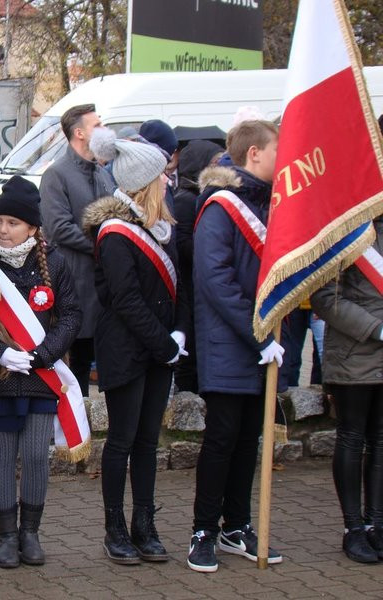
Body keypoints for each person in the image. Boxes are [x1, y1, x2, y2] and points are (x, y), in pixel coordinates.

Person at [84, 131, 188, 565]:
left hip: (161, 350)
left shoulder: (164, 229)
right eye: (162, 176)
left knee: (149, 441)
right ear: (145, 183)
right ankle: (115, 528)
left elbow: (183, 286)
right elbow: (125, 300)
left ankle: (145, 523)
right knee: (122, 441)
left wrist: (179, 333)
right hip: (127, 349)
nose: (168, 181)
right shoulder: (115, 233)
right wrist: (164, 342)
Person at [186, 120, 285, 573]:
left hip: (259, 341)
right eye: (277, 149)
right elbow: (216, 281)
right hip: (231, 340)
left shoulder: (270, 205)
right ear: (254, 155)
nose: (283, 157)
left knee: (249, 438)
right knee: (222, 439)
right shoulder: (222, 208)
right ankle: (203, 530)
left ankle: (237, 525)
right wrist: (258, 334)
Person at [0, 176, 81, 569]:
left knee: (34, 455)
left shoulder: (55, 262)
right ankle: (6, 537)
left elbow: (70, 316)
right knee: (1, 456)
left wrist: (45, 354)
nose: (3, 230)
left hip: (40, 375)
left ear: (33, 228)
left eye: (13, 223)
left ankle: (31, 533)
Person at [311, 217, 383, 563]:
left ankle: (377, 525)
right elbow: (325, 297)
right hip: (355, 355)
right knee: (353, 438)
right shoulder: (344, 230)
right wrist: (376, 329)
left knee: (382, 441)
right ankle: (353, 529)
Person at [39, 104, 115, 397]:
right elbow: (59, 228)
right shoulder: (56, 174)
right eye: (98, 125)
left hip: (105, 286)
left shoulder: (103, 173)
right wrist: (105, 245)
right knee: (76, 364)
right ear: (79, 133)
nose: (104, 130)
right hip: (76, 284)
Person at [172, 139, 224, 393]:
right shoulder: (185, 199)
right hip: (190, 283)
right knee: (189, 354)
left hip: (198, 285)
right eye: (214, 162)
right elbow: (182, 244)